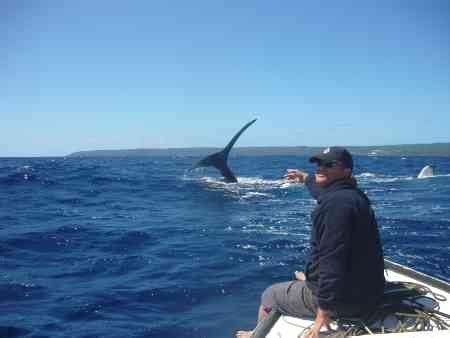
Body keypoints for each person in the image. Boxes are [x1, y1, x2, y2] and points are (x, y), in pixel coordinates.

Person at [236, 147, 385, 338]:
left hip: (346, 301)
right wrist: (305, 178)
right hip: (367, 291)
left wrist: (323, 312)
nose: (321, 168)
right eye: (319, 164)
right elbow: (323, 194)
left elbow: (333, 260)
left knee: (270, 295)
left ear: (346, 171)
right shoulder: (351, 196)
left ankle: (255, 335)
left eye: (329, 165)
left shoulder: (336, 206)